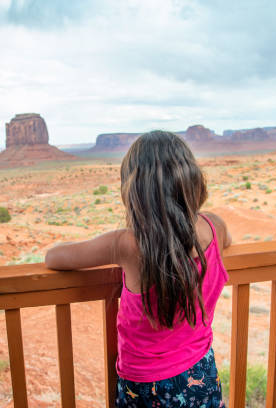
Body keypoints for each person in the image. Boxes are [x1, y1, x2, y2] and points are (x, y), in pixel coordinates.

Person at [46, 130, 231, 407]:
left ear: (134, 190)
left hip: (146, 385)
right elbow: (226, 243)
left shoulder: (128, 244)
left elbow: (54, 257)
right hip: (200, 369)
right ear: (191, 180)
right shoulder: (213, 226)